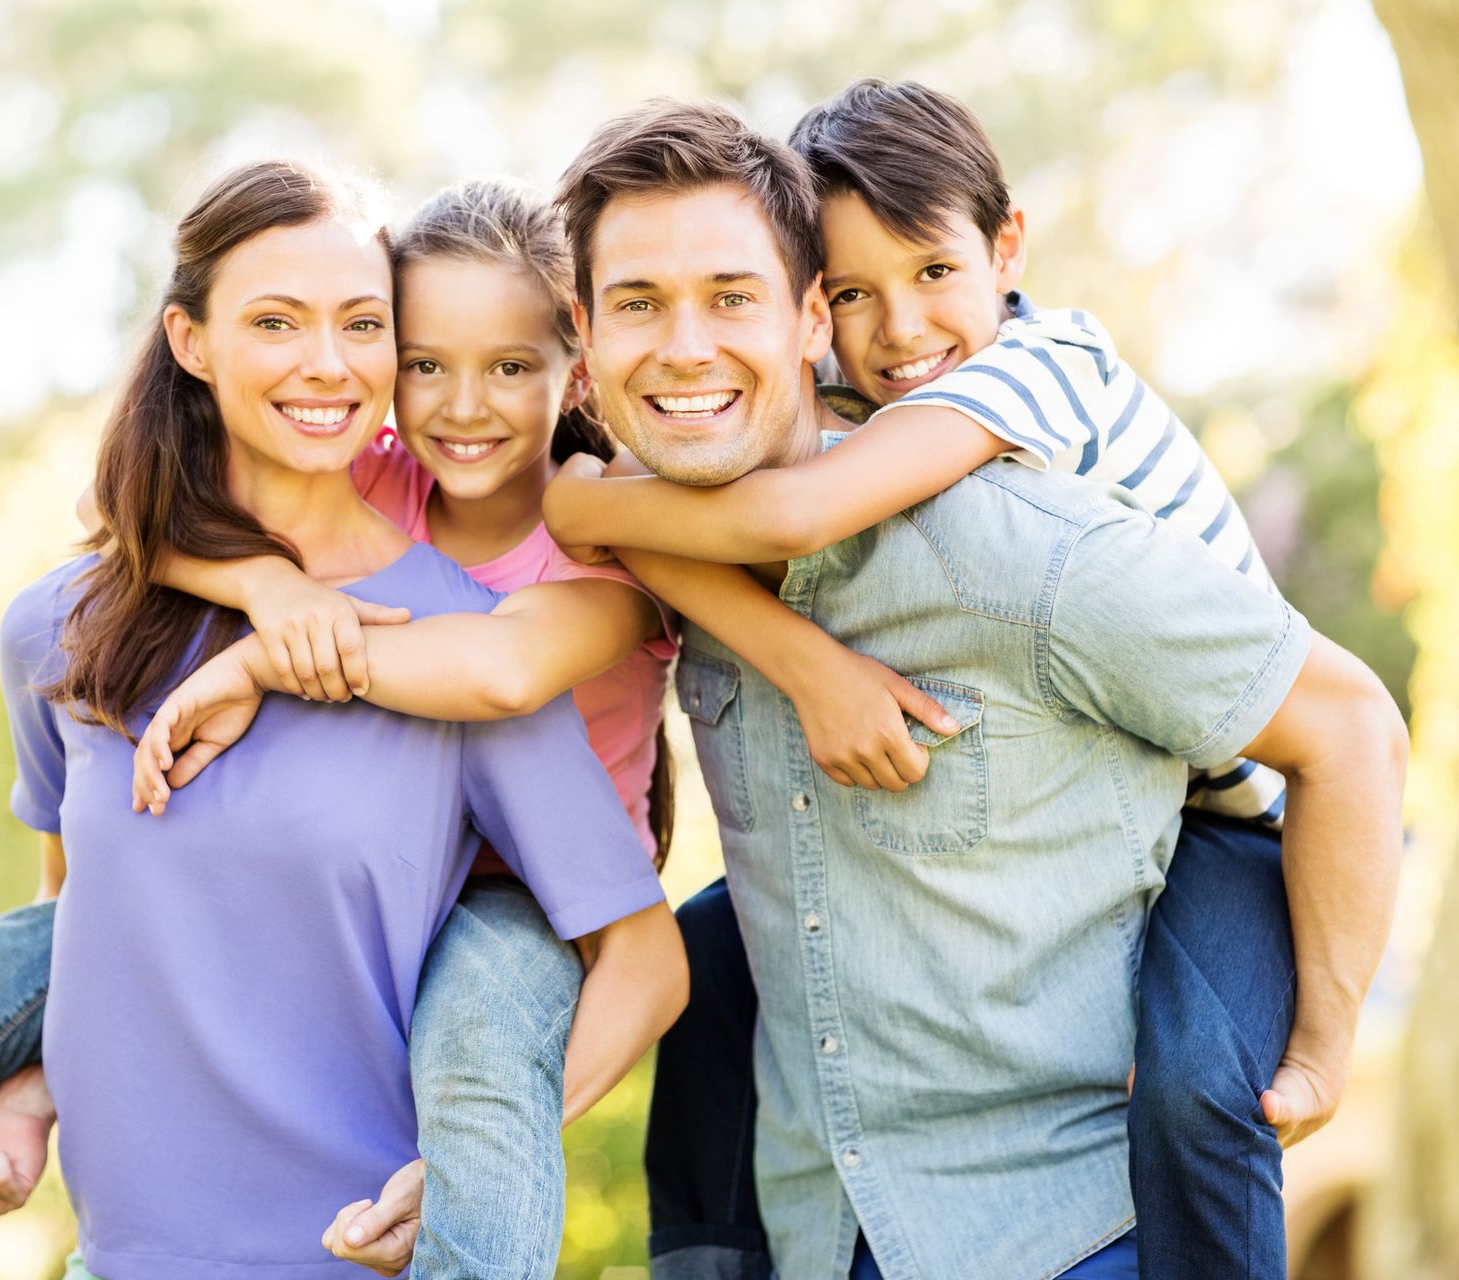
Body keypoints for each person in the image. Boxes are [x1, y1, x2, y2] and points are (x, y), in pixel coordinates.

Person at [0, 161, 688, 1280]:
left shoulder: (513, 606)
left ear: (568, 371)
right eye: (278, 321)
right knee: (9, 957)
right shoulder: (61, 627)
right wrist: (24, 1104)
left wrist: (487, 1157)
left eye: (361, 326)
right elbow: (81, 928)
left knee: (485, 1034)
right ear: (189, 339)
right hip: (121, 1257)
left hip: (398, 1149)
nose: (332, 363)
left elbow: (509, 687)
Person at [539, 97, 1406, 1280]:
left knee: (1209, 1078)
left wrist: (1325, 1039)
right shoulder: (686, 523)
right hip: (822, 1226)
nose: (686, 344)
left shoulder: (1025, 507)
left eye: (731, 295)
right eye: (639, 302)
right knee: (709, 956)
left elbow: (1352, 722)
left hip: (1086, 1167)